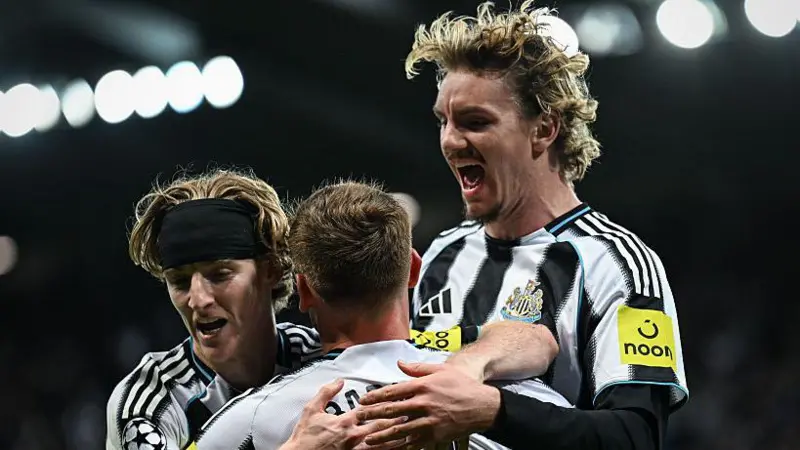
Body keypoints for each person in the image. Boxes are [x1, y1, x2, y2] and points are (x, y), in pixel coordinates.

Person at [354, 2, 689, 449]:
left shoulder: (618, 264)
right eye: (443, 121)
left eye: (475, 122)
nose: (451, 141)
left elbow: (635, 436)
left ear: (544, 129)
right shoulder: (442, 253)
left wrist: (492, 411)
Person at [106, 169, 475, 450]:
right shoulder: (150, 404)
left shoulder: (315, 349)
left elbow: (465, 339)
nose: (198, 299)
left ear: (272, 271)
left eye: (220, 275)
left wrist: (485, 359)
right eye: (180, 281)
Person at [190, 181, 571, 450]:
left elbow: (528, 338)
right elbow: (533, 339)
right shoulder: (507, 398)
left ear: (304, 292)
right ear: (413, 270)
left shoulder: (259, 418)